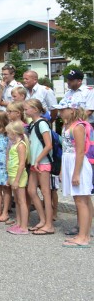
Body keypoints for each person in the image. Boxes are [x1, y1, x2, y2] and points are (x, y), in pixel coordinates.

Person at [55, 99, 94, 248]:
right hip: (70, 163)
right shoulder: (67, 126)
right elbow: (66, 150)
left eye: (63, 109)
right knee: (82, 199)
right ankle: (84, 234)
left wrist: (76, 174)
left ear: (72, 110)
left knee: (81, 200)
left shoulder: (77, 127)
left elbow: (80, 151)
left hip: (78, 165)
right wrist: (62, 170)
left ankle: (83, 237)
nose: (60, 112)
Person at [25, 99, 55, 235]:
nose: (25, 111)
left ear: (35, 109)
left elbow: (48, 145)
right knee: (31, 190)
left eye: (27, 109)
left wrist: (37, 159)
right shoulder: (33, 124)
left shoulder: (42, 123)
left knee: (45, 193)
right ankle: (43, 220)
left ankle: (49, 224)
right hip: (35, 163)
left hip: (42, 162)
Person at [5, 120, 30, 235]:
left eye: (8, 133)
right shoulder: (14, 144)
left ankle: (24, 226)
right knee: (17, 201)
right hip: (13, 175)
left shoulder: (21, 145)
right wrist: (9, 178)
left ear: (14, 133)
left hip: (18, 176)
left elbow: (22, 164)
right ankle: (19, 223)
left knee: (22, 201)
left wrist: (16, 180)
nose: (8, 135)